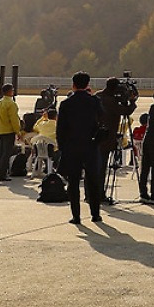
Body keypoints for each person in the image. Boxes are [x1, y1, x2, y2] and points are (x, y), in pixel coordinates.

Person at [57, 73, 104, 224]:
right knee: (93, 181)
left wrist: (62, 147)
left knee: (73, 182)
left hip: (72, 146)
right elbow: (103, 120)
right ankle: (95, 214)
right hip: (90, 145)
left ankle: (76, 215)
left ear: (73, 85)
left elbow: (60, 129)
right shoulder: (94, 101)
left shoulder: (66, 104)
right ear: (88, 85)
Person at [97, 77, 136, 203]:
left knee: (95, 168)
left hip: (95, 137)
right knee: (101, 169)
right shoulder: (110, 101)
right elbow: (125, 111)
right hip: (106, 138)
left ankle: (91, 194)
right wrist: (132, 102)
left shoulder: (98, 96)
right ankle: (99, 195)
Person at [0, 85, 21, 183]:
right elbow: (14, 119)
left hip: (0, 130)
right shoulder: (11, 104)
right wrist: (18, 131)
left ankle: (0, 173)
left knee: (2, 153)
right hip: (9, 130)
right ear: (9, 91)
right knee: (6, 153)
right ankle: (2, 174)